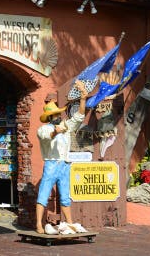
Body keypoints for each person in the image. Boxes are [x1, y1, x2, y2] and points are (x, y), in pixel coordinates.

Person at [35, 80, 90, 235]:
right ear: (49, 117)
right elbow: (46, 136)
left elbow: (79, 117)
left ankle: (70, 223)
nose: (57, 116)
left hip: (64, 165)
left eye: (58, 113)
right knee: (44, 194)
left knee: (65, 196)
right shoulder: (43, 129)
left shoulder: (65, 126)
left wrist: (83, 99)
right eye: (54, 115)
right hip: (52, 164)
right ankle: (39, 224)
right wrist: (55, 132)